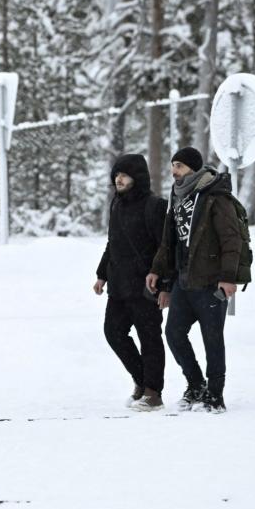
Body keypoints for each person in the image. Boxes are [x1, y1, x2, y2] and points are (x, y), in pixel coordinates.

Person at [147, 147, 243, 413]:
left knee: (212, 338)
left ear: (193, 168)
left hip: (211, 282)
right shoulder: (177, 196)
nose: (173, 170)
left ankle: (215, 395)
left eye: (179, 166)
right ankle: (196, 384)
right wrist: (159, 272)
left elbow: (231, 239)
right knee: (174, 334)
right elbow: (169, 241)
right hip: (183, 281)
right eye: (172, 165)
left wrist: (228, 277)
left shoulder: (214, 195)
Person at [95, 154, 169, 411]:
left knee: (149, 337)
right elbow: (112, 243)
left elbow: (165, 248)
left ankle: (153, 392)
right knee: (113, 332)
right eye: (116, 175)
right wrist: (101, 275)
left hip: (145, 287)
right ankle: (140, 379)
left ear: (137, 177)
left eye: (124, 175)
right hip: (118, 285)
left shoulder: (154, 206)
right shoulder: (116, 205)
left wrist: (165, 284)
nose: (119, 179)